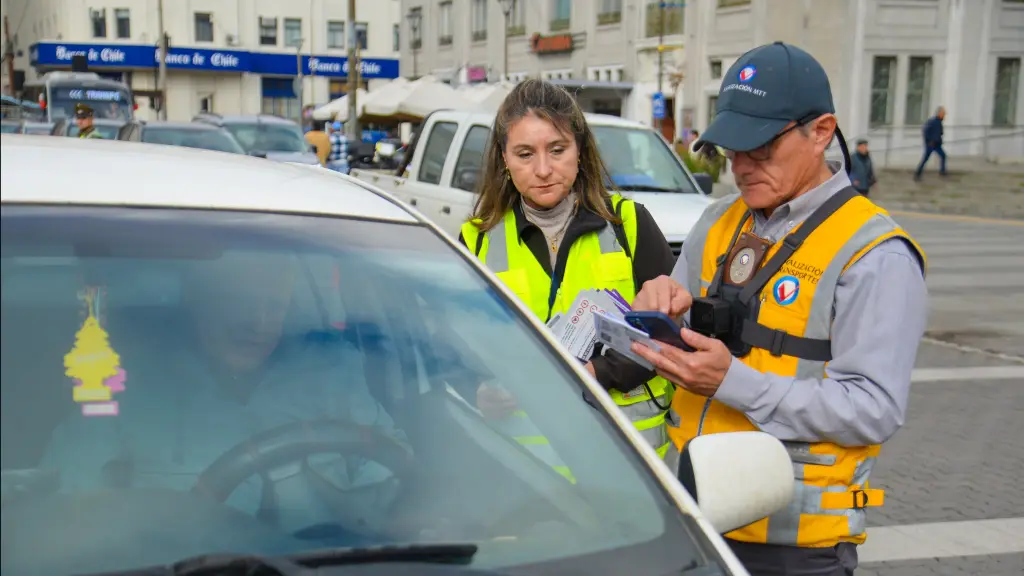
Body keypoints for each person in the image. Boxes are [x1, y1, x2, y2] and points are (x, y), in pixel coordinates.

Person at [627, 42, 928, 576]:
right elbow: (673, 323)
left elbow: (874, 408)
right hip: (691, 516)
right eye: (731, 150)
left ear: (820, 132)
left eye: (760, 148)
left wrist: (734, 382)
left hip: (793, 548)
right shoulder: (719, 219)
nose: (741, 167)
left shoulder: (875, 253)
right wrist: (659, 310)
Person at [41, 251, 407, 537]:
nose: (259, 324)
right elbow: (70, 503)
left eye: (274, 307)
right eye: (242, 303)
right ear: (197, 299)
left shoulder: (333, 369)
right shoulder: (126, 380)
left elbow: (395, 469)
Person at [458, 79, 678, 461]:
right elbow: (453, 347)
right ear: (504, 159)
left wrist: (596, 374)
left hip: (630, 468)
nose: (543, 169)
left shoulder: (630, 225)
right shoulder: (477, 242)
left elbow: (670, 337)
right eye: (525, 154)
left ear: (580, 150)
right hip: (530, 478)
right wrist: (477, 389)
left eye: (557, 150)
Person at [914, 106, 946, 180]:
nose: (944, 115)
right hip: (931, 144)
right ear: (939, 113)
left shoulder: (939, 122)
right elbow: (925, 131)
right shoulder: (932, 121)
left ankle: (942, 171)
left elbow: (940, 132)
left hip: (937, 144)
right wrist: (929, 140)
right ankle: (917, 173)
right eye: (943, 114)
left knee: (943, 156)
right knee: (925, 158)